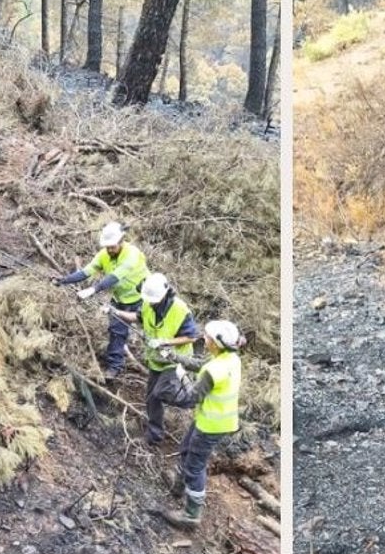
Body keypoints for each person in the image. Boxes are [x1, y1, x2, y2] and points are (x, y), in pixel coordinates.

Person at [159, 319, 244, 530]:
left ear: (215, 343)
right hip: (214, 419)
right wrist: (173, 356)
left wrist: (183, 377)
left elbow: (191, 397)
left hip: (211, 425)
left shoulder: (214, 370)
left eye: (206, 337)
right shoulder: (229, 358)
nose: (203, 339)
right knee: (186, 449)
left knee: (195, 467)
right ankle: (178, 486)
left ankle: (191, 515)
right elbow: (202, 365)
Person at [52, 221, 149, 380]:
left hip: (144, 299)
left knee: (152, 329)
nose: (109, 250)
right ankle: (114, 367)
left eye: (112, 246)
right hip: (121, 300)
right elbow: (85, 272)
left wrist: (93, 290)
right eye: (107, 247)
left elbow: (115, 276)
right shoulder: (104, 254)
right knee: (116, 332)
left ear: (121, 241)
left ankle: (161, 362)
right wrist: (63, 280)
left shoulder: (132, 254)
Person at [132, 272, 200, 445]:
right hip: (157, 360)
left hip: (177, 359)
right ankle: (154, 435)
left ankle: (193, 399)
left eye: (154, 300)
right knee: (151, 399)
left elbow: (192, 336)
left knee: (160, 391)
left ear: (165, 295)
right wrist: (114, 311)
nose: (151, 303)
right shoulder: (148, 303)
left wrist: (165, 342)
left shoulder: (180, 309)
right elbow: (137, 317)